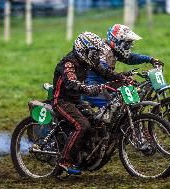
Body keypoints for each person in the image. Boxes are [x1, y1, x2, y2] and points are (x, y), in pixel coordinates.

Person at [52, 31, 126, 174]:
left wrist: (121, 77)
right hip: (62, 101)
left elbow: (104, 72)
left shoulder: (87, 62)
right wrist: (88, 88)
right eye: (94, 52)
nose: (96, 56)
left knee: (96, 122)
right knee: (82, 125)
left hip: (76, 101)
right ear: (83, 49)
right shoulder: (69, 63)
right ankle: (64, 161)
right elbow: (71, 82)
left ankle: (83, 155)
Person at [85, 24, 163, 108]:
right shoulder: (102, 52)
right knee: (115, 108)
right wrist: (122, 76)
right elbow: (105, 72)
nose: (128, 46)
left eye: (129, 44)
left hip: (104, 83)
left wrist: (150, 59)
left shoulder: (113, 50)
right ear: (116, 41)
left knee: (133, 94)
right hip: (91, 86)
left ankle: (133, 118)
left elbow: (130, 58)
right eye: (126, 44)